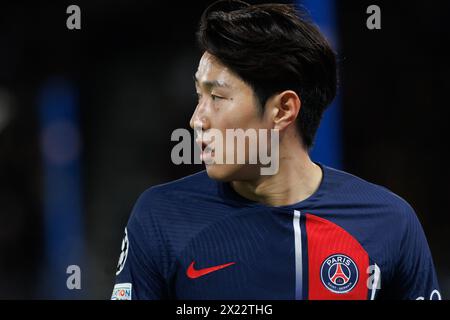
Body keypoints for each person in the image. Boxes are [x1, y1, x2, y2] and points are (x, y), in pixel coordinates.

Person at [111, 0, 441, 300]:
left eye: (218, 97)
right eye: (199, 96)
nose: (197, 120)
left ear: (282, 110)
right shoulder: (161, 216)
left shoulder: (390, 222)